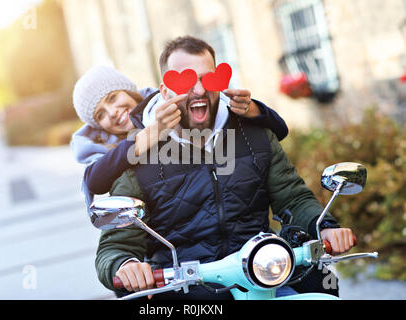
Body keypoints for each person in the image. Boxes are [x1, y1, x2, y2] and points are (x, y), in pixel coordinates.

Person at [93, 36, 356, 299]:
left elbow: (293, 198)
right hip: (185, 290)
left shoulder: (255, 132)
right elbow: (115, 244)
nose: (198, 91)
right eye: (186, 81)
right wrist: (125, 266)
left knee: (323, 290)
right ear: (165, 92)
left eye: (207, 79)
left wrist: (325, 227)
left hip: (264, 274)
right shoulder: (137, 153)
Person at [70, 66, 290, 208]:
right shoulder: (106, 149)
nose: (112, 112)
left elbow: (279, 132)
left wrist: (253, 110)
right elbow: (94, 180)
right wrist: (148, 137)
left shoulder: (171, 105)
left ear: (127, 90)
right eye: (101, 115)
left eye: (112, 98)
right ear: (98, 126)